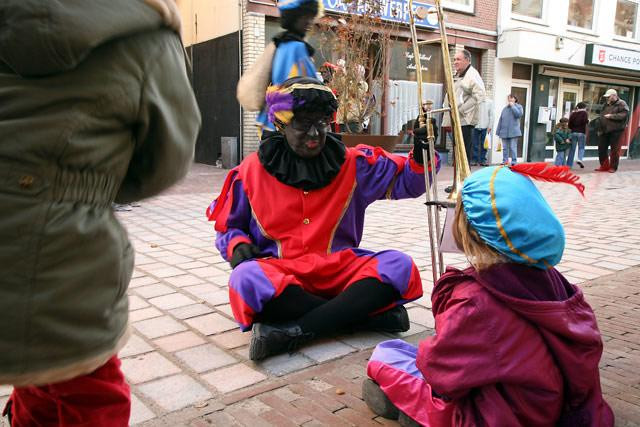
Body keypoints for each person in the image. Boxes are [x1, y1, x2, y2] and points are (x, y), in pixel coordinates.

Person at [0, 0, 201, 425]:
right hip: (67, 260)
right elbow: (167, 159)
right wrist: (89, 187)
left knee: (37, 378)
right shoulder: (147, 37)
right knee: (88, 391)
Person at [206, 77, 440, 361]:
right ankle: (359, 315)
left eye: (322, 123)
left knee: (399, 265)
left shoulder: (354, 163)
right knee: (246, 279)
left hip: (341, 270)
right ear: (281, 124)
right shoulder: (251, 171)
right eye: (304, 124)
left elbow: (408, 182)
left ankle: (296, 331)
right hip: (283, 275)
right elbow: (228, 225)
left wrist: (421, 153)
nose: (315, 134)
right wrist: (237, 244)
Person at [363, 163, 614, 426]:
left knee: (386, 354)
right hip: (549, 403)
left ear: (469, 231)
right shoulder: (553, 280)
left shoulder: (476, 302)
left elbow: (439, 372)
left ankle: (418, 410)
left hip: (506, 415)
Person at [254, 0, 323, 134]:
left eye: (311, 16)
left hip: (273, 119)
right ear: (294, 18)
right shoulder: (297, 47)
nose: (309, 21)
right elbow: (310, 86)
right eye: (305, 16)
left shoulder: (282, 44)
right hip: (292, 122)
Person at [451, 49, 486, 163]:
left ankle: (464, 179)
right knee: (458, 153)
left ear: (467, 60)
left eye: (458, 59)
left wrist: (461, 110)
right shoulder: (459, 74)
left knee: (464, 153)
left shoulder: (472, 75)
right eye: (454, 59)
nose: (455, 62)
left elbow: (480, 95)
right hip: (458, 119)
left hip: (465, 120)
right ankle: (458, 179)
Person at [595, 89, 629, 173]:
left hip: (616, 130)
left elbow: (624, 115)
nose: (607, 98)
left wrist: (611, 116)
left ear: (614, 95)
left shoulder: (622, 103)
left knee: (615, 150)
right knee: (601, 149)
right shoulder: (606, 104)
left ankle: (613, 167)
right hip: (604, 130)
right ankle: (604, 166)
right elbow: (601, 115)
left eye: (608, 97)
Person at [496, 94, 523, 165]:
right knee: (505, 148)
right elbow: (500, 120)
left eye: (511, 98)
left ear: (515, 99)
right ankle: (505, 161)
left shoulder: (519, 107)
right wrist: (498, 131)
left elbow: (518, 115)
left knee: (512, 147)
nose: (510, 99)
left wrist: (513, 106)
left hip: (513, 132)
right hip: (504, 132)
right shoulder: (505, 109)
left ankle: (514, 162)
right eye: (509, 98)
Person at [472, 98, 494, 166]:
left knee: (484, 145)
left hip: (485, 126)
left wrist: (490, 126)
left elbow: (491, 115)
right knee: (474, 144)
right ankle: (474, 160)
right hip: (475, 126)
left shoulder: (489, 102)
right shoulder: (475, 101)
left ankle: (483, 160)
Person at [568, 102, 589, 168]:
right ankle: (579, 159)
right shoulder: (584, 113)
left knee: (572, 149)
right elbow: (584, 121)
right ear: (584, 107)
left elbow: (569, 124)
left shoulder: (573, 114)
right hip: (581, 132)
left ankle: (569, 165)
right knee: (581, 147)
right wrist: (588, 121)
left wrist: (573, 128)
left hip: (573, 132)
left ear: (578, 107)